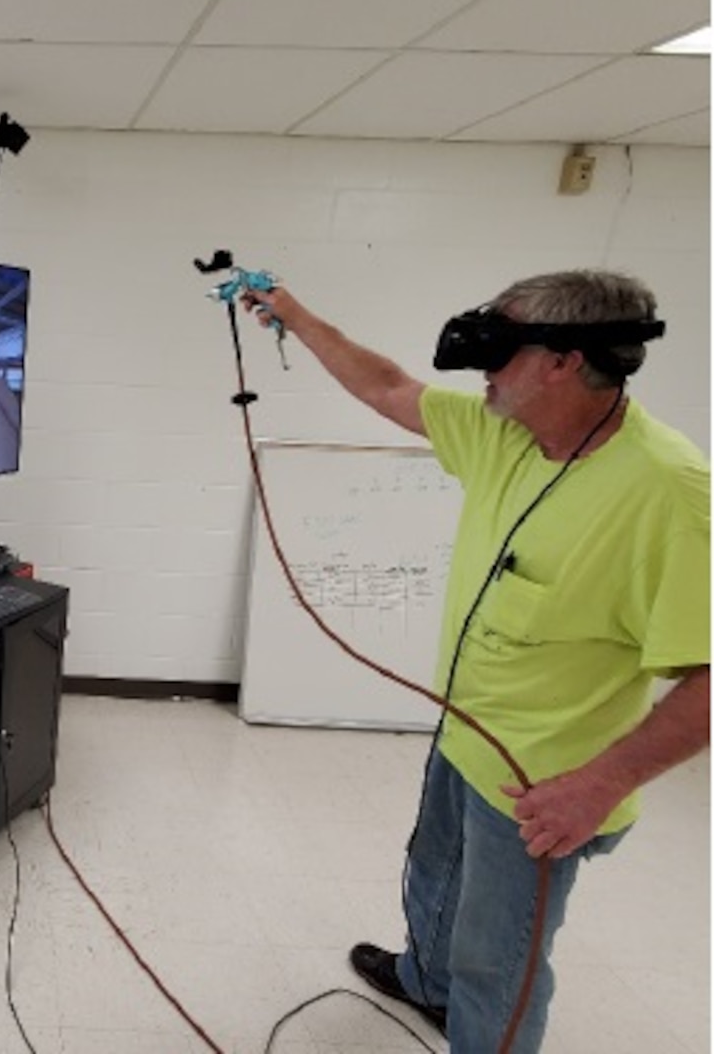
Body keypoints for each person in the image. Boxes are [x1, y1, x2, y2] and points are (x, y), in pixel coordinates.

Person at [244, 270, 710, 1052]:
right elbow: (388, 387)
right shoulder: (505, 430)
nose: (481, 370)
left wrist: (599, 785)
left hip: (544, 785)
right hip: (464, 734)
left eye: (500, 349)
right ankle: (427, 983)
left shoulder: (672, 492)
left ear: (563, 361)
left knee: (497, 961)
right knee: (432, 875)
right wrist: (290, 311)